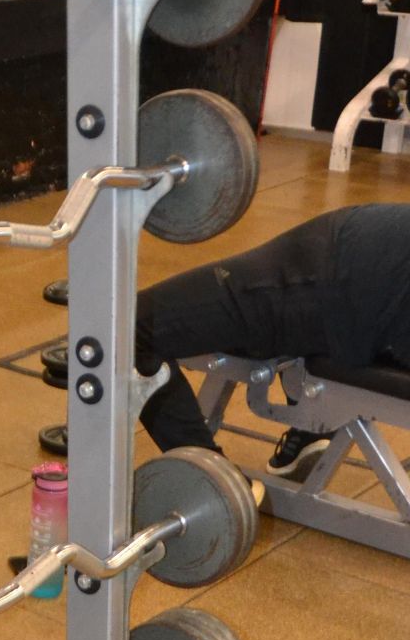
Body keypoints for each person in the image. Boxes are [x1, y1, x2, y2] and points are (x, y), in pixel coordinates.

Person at [137, 203, 410, 475]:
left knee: (131, 329)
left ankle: (212, 482)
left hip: (339, 263)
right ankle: (299, 436)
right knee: (133, 327)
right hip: (340, 260)